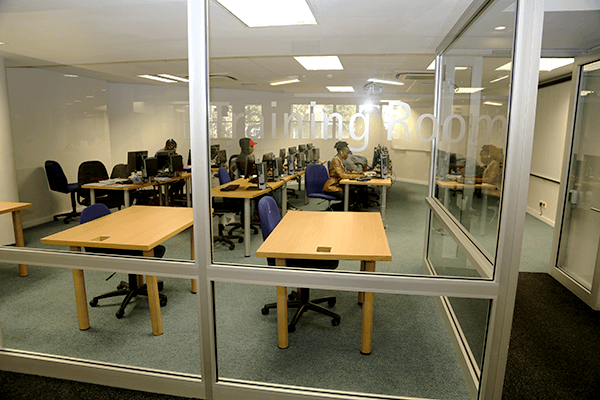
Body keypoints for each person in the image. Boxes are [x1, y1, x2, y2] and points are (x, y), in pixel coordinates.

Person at [323, 141, 368, 210]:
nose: (347, 155)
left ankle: (346, 209)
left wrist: (358, 174)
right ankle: (333, 208)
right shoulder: (336, 160)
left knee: (353, 195)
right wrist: (357, 176)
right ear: (341, 152)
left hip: (339, 184)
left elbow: (345, 173)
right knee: (349, 198)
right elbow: (342, 175)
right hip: (332, 186)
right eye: (346, 153)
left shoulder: (340, 160)